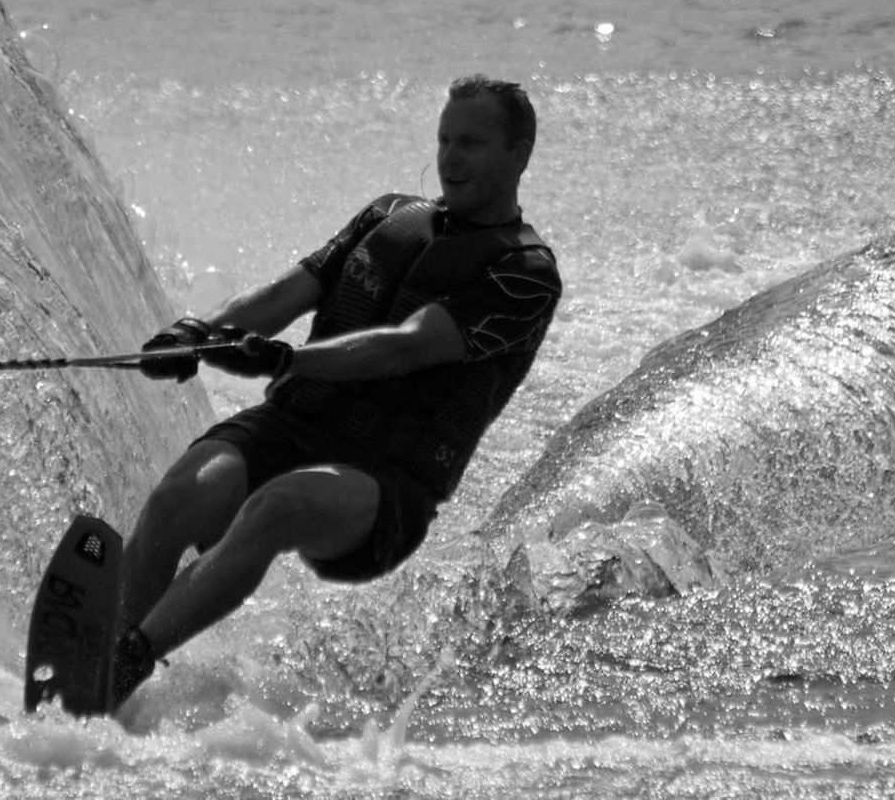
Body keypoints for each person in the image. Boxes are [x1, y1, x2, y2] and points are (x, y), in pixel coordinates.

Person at [108, 74, 563, 710]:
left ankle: (129, 659)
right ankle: (102, 676)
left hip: (383, 482)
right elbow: (282, 296)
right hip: (291, 428)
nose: (451, 158)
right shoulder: (388, 217)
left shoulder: (524, 274)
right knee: (178, 498)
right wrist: (198, 335)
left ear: (519, 154)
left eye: (472, 144)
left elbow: (402, 346)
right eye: (444, 140)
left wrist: (286, 359)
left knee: (277, 506)